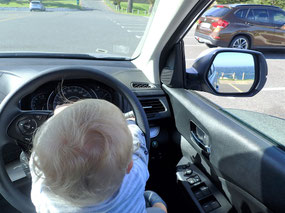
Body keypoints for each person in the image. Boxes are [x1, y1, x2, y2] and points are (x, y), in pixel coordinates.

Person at [29, 99, 167, 213]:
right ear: (129, 166)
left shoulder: (43, 195)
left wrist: (57, 117)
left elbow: (38, 151)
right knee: (157, 206)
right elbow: (139, 146)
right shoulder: (135, 177)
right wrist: (130, 123)